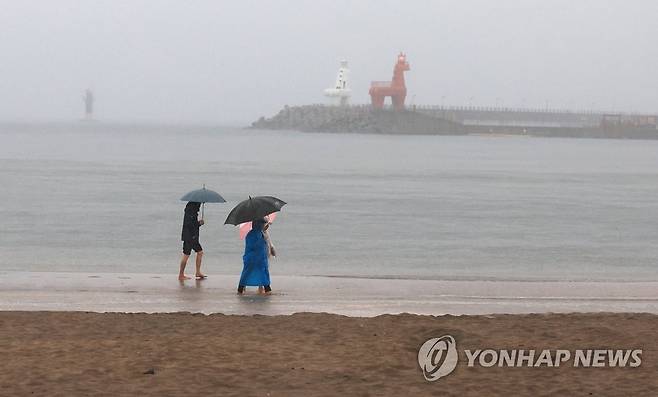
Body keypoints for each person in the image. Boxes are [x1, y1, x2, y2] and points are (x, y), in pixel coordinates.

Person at [238, 217, 272, 294]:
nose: (263, 225)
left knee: (247, 272)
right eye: (262, 224)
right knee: (262, 272)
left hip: (252, 258)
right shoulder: (258, 234)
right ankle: (267, 289)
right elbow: (259, 246)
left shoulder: (251, 234)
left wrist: (264, 229)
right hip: (258, 258)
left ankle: (240, 288)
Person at [179, 201, 206, 281]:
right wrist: (199, 223)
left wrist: (198, 223)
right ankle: (181, 274)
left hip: (192, 236)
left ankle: (198, 272)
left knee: (200, 252)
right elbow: (190, 225)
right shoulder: (191, 213)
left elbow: (191, 224)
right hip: (190, 237)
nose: (199, 207)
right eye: (199, 205)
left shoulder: (190, 211)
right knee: (186, 255)